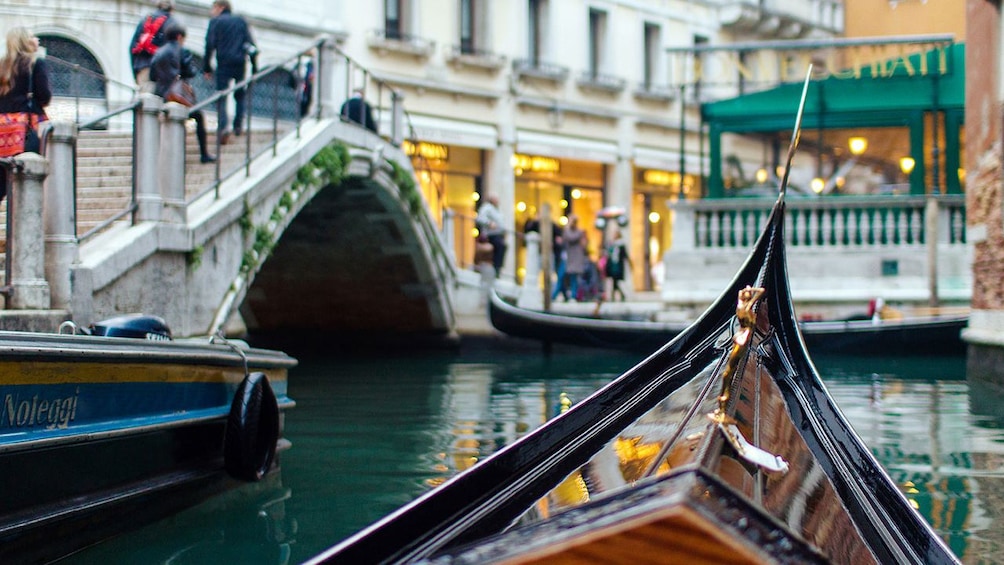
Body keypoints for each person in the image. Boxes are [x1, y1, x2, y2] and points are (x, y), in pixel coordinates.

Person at [151, 24, 216, 163]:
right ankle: (204, 154)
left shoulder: (158, 52)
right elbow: (190, 71)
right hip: (176, 96)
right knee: (198, 116)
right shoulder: (181, 51)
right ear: (179, 36)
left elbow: (152, 75)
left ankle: (157, 153)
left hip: (160, 95)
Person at [0, 27, 51, 201]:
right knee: (26, 180)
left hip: (2, 132)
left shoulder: (2, 64)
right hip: (25, 131)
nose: (37, 40)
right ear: (25, 41)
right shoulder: (36, 63)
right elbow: (44, 96)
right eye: (32, 37)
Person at [204, 0, 256, 144]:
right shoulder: (240, 21)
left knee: (222, 95)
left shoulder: (216, 22)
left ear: (221, 7)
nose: (212, 11)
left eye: (213, 8)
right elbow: (251, 43)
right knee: (239, 95)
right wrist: (254, 65)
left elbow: (209, 45)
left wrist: (207, 68)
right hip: (240, 62)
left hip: (223, 62)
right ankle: (238, 126)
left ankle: (223, 127)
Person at [129, 0, 178, 93]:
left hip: (143, 69)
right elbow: (175, 51)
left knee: (145, 101)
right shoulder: (173, 23)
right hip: (164, 73)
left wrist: (136, 71)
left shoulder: (145, 20)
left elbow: (132, 47)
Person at [475, 194, 506, 276]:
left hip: (498, 235)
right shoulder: (487, 208)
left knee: (502, 247)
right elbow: (480, 218)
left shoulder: (498, 210)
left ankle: (497, 268)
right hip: (490, 235)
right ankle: (496, 269)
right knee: (500, 246)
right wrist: (489, 223)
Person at [560, 214, 587, 301]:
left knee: (575, 279)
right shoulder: (571, 232)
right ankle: (569, 295)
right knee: (563, 277)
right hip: (568, 258)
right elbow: (570, 238)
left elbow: (584, 244)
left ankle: (575, 296)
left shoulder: (577, 232)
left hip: (575, 259)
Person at [603, 227, 632, 301]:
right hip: (613, 266)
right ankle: (616, 296)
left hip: (618, 266)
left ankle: (618, 295)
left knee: (617, 282)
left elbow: (625, 255)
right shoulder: (612, 245)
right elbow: (609, 255)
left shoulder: (621, 245)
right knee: (614, 282)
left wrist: (630, 264)